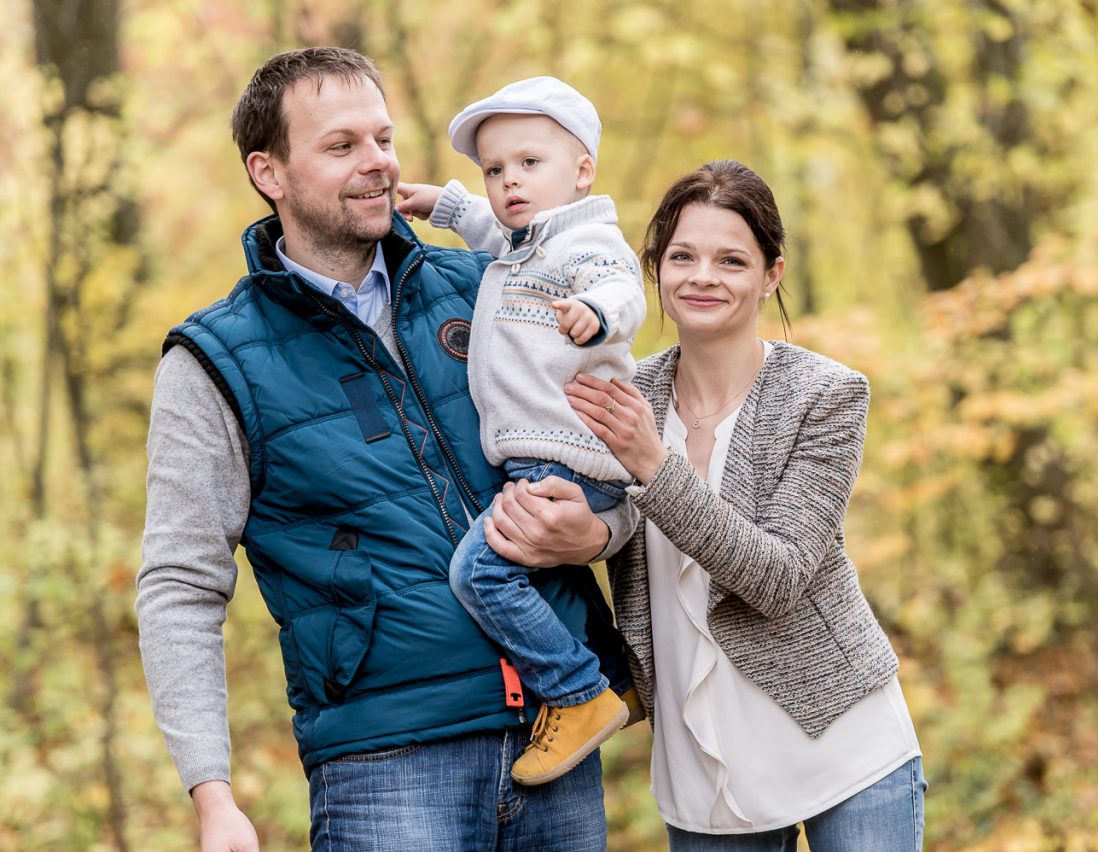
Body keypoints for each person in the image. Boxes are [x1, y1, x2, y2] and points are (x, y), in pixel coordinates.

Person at [136, 48, 635, 851]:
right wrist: (212, 792)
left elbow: (619, 445)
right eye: (341, 146)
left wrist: (600, 533)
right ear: (270, 172)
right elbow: (180, 585)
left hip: (560, 738)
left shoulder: (489, 284)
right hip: (386, 769)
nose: (378, 164)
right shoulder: (214, 360)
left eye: (383, 138)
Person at [566, 160, 927, 851]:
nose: (703, 276)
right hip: (701, 762)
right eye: (682, 257)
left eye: (731, 260)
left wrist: (652, 462)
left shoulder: (825, 396)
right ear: (655, 271)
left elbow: (778, 576)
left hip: (840, 745)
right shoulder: (623, 396)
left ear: (771, 276)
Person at [394, 76, 645, 786]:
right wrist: (446, 205)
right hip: (541, 458)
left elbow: (621, 282)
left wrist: (598, 311)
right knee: (552, 571)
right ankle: (621, 681)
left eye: (529, 164)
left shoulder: (587, 241)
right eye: (495, 170)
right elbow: (492, 229)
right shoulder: (526, 243)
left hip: (566, 456)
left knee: (480, 572)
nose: (509, 183)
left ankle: (577, 694)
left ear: (582, 171)